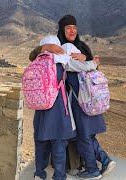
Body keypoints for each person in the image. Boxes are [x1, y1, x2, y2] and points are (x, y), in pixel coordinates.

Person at [30, 15, 116, 179]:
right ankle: (99, 163)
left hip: (80, 99)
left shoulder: (76, 48)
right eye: (68, 27)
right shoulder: (57, 47)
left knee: (81, 135)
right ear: (62, 29)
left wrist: (88, 59)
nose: (72, 30)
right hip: (74, 100)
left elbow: (89, 67)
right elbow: (33, 56)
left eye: (75, 28)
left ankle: (90, 167)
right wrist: (45, 47)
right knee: (81, 136)